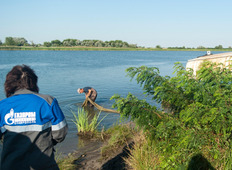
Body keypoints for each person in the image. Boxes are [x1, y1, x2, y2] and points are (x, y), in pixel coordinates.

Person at [0, 65, 68, 170]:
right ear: (33, 82)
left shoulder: (2, 105)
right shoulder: (48, 102)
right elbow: (60, 134)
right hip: (44, 164)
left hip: (10, 165)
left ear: (9, 84)